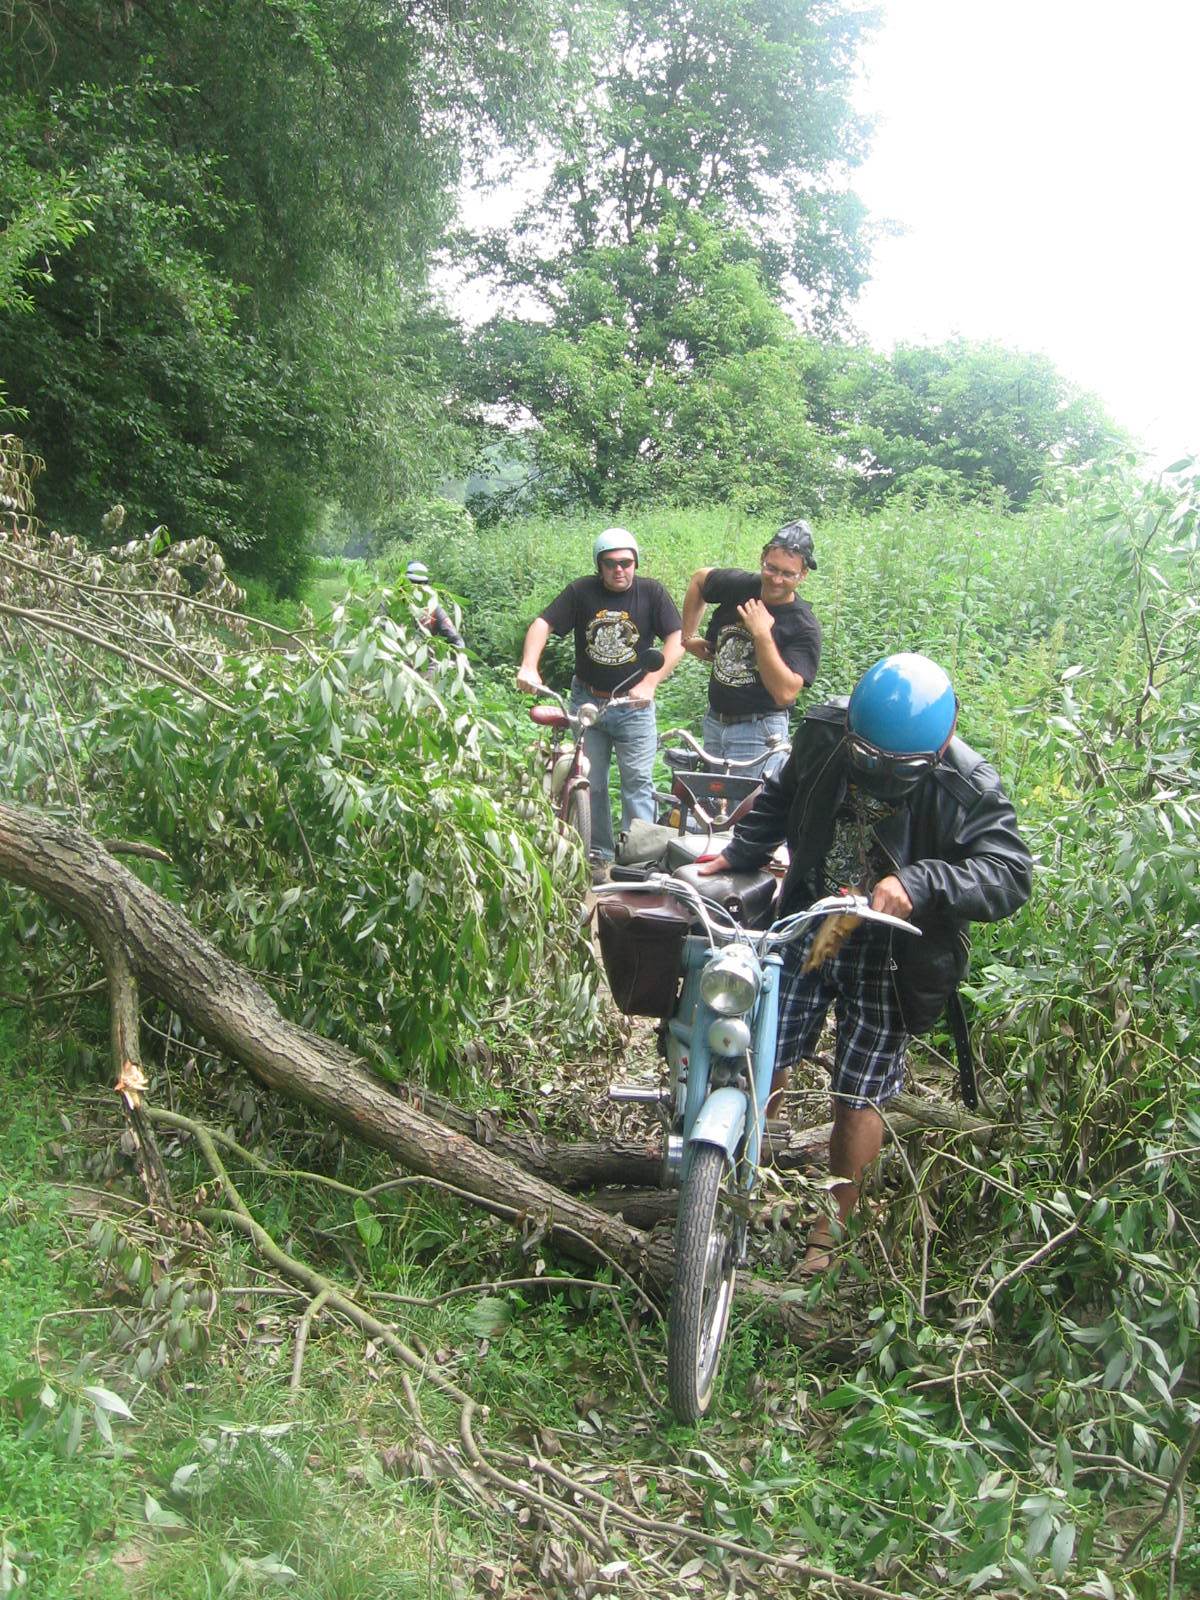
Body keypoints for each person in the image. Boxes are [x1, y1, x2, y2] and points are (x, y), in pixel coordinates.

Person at [698, 652, 1032, 1270]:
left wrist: (921, 881)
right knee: (760, 1050)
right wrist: (740, 851)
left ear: (938, 748)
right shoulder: (826, 732)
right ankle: (735, 1181)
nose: (876, 772)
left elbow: (1009, 874)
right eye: (866, 756)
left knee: (859, 1094)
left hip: (892, 953)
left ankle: (830, 1232)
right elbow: (784, 793)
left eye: (895, 766)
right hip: (816, 921)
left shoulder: (968, 788)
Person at [516, 528, 683, 863]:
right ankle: (597, 854)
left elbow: (676, 638)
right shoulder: (581, 591)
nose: (619, 569)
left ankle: (639, 860)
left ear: (636, 563)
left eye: (626, 562)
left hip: (633, 705)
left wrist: (650, 683)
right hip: (588, 701)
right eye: (610, 563)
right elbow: (542, 623)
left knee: (638, 782)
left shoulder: (652, 592)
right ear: (599, 565)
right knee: (589, 780)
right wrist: (529, 666)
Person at [680, 521, 822, 778]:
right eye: (771, 568)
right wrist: (688, 636)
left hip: (760, 731)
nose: (776, 579)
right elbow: (700, 579)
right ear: (762, 559)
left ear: (803, 575)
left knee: (752, 804)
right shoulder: (741, 585)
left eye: (788, 574)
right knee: (711, 802)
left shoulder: (803, 625)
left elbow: (785, 693)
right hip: (714, 722)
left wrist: (762, 634)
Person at [404, 560, 465, 650]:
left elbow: (454, 637)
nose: (416, 587)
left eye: (420, 584)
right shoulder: (392, 604)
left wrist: (459, 652)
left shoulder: (433, 608)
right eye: (413, 583)